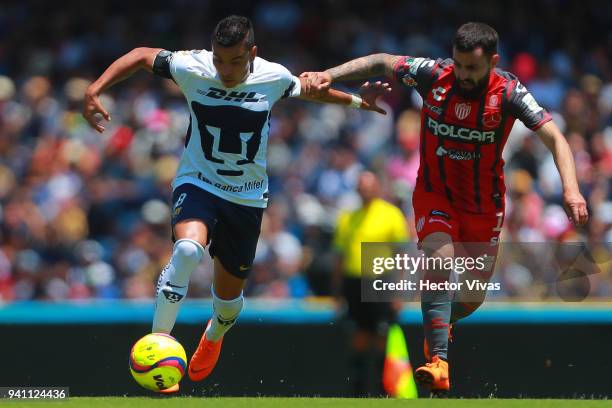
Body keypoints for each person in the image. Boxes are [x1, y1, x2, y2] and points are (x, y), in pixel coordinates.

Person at [82, 15, 389, 393]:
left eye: (234, 61)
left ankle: (215, 333)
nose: (225, 70)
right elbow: (142, 55)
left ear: (252, 53)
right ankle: (157, 346)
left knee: (227, 305)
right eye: (219, 60)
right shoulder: (191, 66)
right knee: (188, 250)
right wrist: (94, 88)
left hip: (245, 198)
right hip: (198, 182)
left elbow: (310, 92)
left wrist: (359, 101)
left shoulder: (273, 76)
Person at [302, 22, 589, 395]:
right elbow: (380, 61)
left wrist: (572, 190)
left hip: (484, 205)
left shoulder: (510, 92)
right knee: (437, 260)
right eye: (459, 65)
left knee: (471, 296)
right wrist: (327, 75)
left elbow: (555, 137)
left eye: (472, 67)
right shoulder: (434, 75)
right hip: (435, 194)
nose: (464, 75)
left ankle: (438, 322)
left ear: (493, 61)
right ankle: (438, 362)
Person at [332, 171, 409, 396]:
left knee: (382, 334)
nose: (365, 191)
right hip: (354, 282)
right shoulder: (347, 218)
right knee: (358, 335)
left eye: (369, 187)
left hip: (381, 281)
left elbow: (401, 256)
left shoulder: (391, 215)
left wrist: (398, 290)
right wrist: (337, 292)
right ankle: (357, 389)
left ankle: (383, 388)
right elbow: (340, 257)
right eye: (361, 187)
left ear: (377, 188)